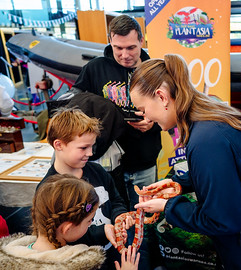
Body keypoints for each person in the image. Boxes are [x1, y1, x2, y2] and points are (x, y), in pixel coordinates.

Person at [131, 54, 241, 270]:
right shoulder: (210, 112)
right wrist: (177, 185)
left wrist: (169, 207)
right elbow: (230, 174)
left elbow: (223, 220)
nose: (146, 118)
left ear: (162, 96)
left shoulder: (206, 141)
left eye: (143, 109)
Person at [71, 14, 162, 211]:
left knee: (146, 220)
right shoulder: (94, 68)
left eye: (131, 47)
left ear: (141, 41)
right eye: (118, 48)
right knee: (115, 218)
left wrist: (154, 121)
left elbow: (171, 110)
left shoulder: (156, 70)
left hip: (144, 161)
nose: (124, 54)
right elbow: (73, 103)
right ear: (110, 41)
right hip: (106, 165)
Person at [39, 107, 134, 269]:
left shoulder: (98, 171)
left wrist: (119, 215)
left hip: (111, 252)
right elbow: (57, 235)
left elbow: (116, 199)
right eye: (83, 148)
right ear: (59, 144)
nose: (90, 153)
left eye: (92, 146)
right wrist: (101, 231)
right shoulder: (49, 189)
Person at [0, 174, 140, 270]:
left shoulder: (10, 255)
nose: (91, 224)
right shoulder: (83, 264)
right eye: (89, 220)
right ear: (67, 228)